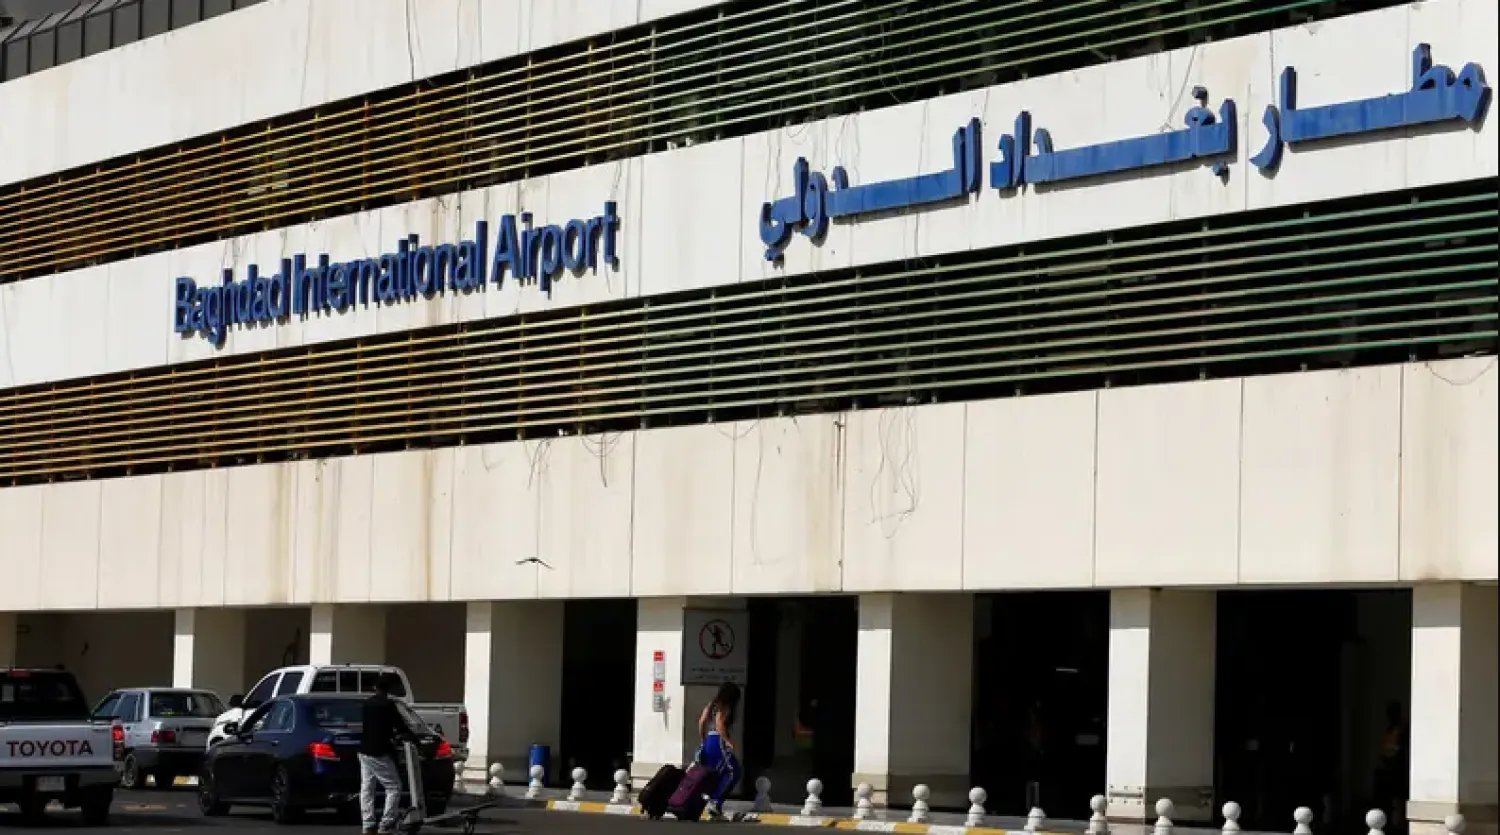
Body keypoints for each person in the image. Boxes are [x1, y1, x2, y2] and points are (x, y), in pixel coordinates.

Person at [360, 673, 413, 835]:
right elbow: (400, 726)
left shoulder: (366, 704)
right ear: (388, 689)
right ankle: (386, 823)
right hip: (379, 751)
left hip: (364, 750)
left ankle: (368, 823)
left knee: (367, 787)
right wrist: (412, 739)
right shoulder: (388, 705)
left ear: (375, 687)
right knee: (394, 786)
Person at [696, 682, 743, 819]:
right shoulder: (725, 706)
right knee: (734, 771)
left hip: (708, 741)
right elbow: (720, 723)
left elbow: (702, 721)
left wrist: (703, 739)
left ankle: (715, 805)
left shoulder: (711, 704)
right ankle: (715, 802)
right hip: (718, 742)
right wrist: (728, 741)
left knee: (717, 773)